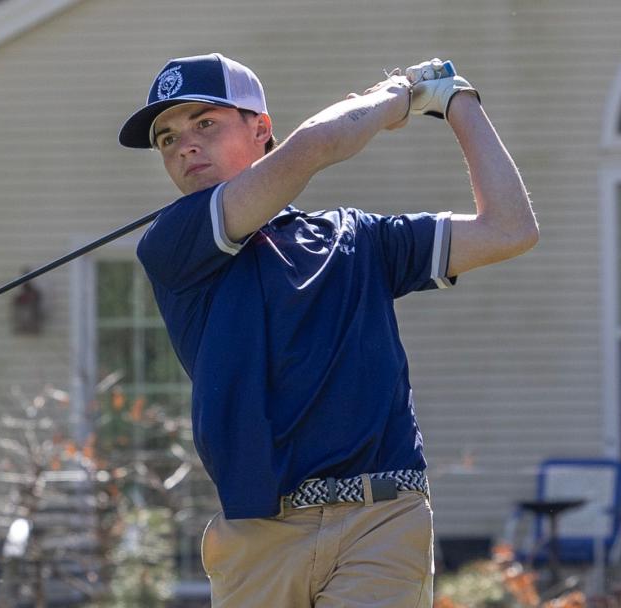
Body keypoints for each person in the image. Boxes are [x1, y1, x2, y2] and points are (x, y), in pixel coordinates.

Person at [119, 53, 537, 607]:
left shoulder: (358, 239)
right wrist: (404, 94)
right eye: (167, 139)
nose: (185, 145)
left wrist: (458, 101)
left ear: (261, 129)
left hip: (381, 521)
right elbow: (314, 147)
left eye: (205, 123)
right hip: (259, 536)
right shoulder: (174, 243)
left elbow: (510, 228)